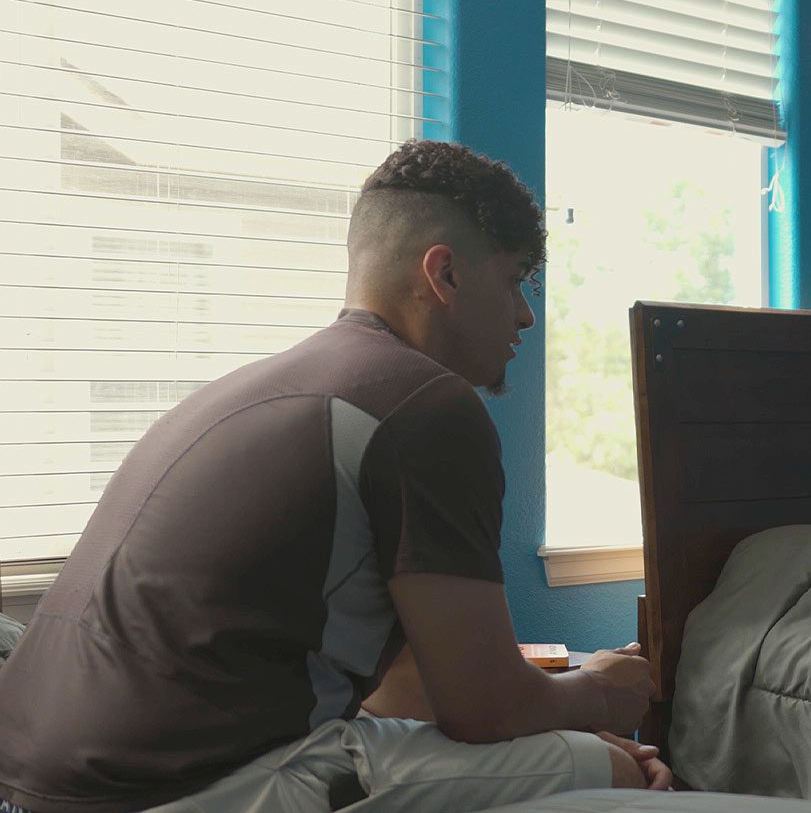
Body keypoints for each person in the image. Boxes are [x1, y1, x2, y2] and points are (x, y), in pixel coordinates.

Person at [0, 141, 670, 813]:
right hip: (157, 793)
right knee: (613, 773)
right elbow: (485, 711)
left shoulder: (257, 388)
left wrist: (554, 714)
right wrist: (601, 692)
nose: (525, 314)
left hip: (36, 780)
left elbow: (401, 689)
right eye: (515, 279)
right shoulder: (425, 406)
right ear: (447, 275)